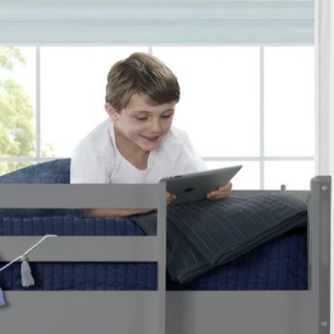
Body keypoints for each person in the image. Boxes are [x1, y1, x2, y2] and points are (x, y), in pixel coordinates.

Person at [70, 51, 232, 216]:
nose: (156, 128)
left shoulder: (178, 142)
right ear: (113, 112)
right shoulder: (93, 149)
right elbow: (91, 209)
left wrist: (214, 191)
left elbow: (197, 187)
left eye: (166, 115)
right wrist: (147, 202)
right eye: (142, 118)